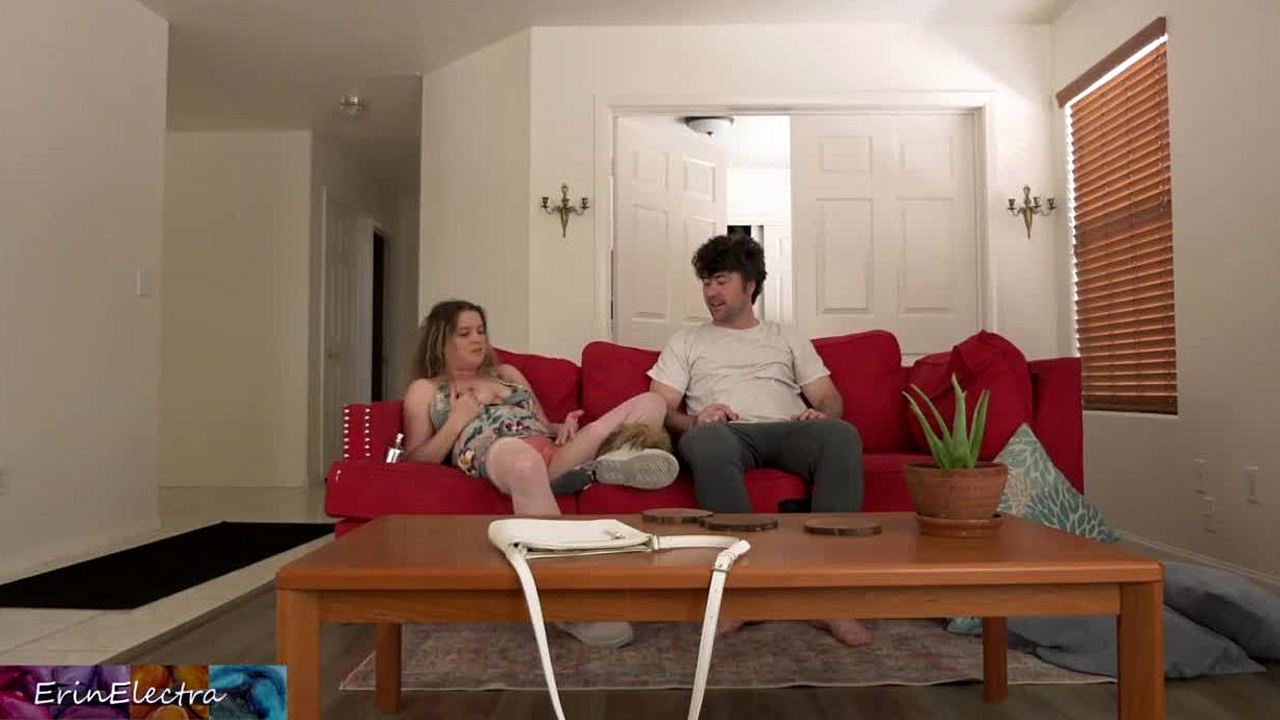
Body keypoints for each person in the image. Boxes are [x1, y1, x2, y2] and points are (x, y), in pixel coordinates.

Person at [402, 299, 678, 647]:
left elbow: (543, 424)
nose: (477, 339)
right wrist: (457, 421)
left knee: (651, 403)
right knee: (525, 464)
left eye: (481, 331)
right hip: (497, 451)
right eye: (465, 333)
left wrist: (565, 428)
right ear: (441, 339)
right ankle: (567, 603)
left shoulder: (507, 374)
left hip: (551, 454)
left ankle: (607, 465)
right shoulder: (426, 389)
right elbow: (417, 459)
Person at [647, 234, 872, 647]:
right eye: (706, 282)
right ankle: (743, 593)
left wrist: (821, 415)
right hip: (724, 432)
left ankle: (827, 597)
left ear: (750, 285)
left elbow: (828, 396)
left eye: (721, 280)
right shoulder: (687, 341)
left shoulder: (786, 336)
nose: (710, 292)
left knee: (840, 435)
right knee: (708, 442)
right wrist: (696, 420)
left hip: (788, 428)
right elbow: (658, 407)